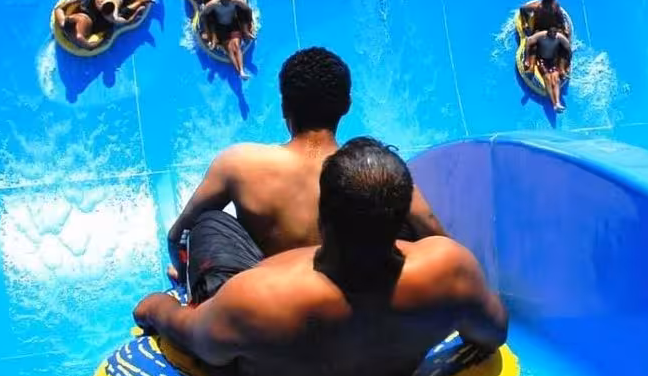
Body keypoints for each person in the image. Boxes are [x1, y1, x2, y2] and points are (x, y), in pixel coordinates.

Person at [135, 139, 507, 376]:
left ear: (321, 217)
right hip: (385, 367)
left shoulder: (253, 298)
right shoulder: (451, 271)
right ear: (400, 219)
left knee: (210, 224)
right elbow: (493, 333)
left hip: (277, 369)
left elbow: (194, 339)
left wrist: (155, 308)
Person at [166, 47, 447, 300]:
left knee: (206, 224)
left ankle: (195, 299)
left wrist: (185, 270)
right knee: (394, 210)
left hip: (271, 303)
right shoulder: (374, 170)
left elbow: (176, 235)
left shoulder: (238, 164)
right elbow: (437, 236)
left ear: (284, 108)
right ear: (347, 106)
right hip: (353, 300)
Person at [198, 0, 255, 79]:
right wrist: (206, 31)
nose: (227, 1)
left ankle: (242, 71)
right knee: (229, 48)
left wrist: (249, 24)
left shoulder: (234, 0)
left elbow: (247, 9)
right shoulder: (214, 3)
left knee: (236, 46)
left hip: (233, 24)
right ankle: (239, 71)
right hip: (221, 27)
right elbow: (203, 14)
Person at [525, 25, 571, 112]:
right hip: (541, 60)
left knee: (556, 79)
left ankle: (557, 103)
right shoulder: (541, 35)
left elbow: (568, 49)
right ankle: (554, 104)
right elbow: (528, 42)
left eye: (554, 35)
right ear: (547, 34)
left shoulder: (559, 37)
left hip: (553, 60)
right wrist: (527, 59)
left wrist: (567, 65)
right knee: (548, 79)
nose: (553, 37)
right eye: (551, 35)